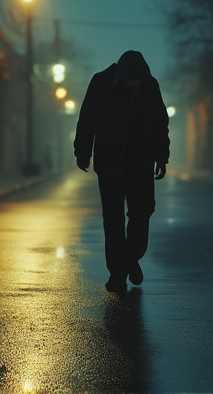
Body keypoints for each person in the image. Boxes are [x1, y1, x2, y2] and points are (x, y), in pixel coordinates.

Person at [74, 50, 170, 294]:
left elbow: (161, 121)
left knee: (142, 213)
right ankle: (117, 274)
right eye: (131, 80)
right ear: (121, 76)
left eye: (138, 81)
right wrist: (82, 152)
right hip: (110, 164)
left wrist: (161, 156)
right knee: (113, 220)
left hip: (141, 163)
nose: (134, 85)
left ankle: (130, 259)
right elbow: (87, 119)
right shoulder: (101, 83)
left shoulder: (150, 86)